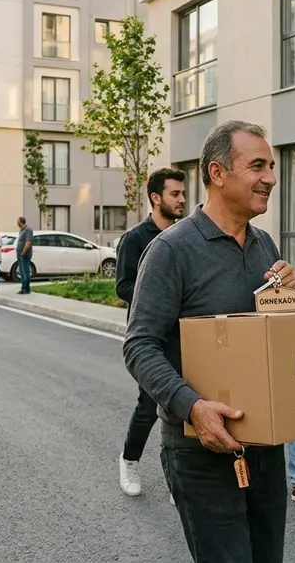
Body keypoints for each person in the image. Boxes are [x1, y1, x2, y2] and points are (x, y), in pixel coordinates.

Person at [124, 121, 295, 563]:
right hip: (200, 451)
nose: (271, 177)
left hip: (265, 446)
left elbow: (276, 329)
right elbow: (139, 345)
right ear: (218, 172)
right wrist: (193, 407)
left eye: (272, 166)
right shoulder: (172, 250)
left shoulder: (264, 244)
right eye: (258, 165)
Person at [116, 167, 186, 498]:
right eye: (175, 194)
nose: (182, 200)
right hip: (150, 335)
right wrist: (162, 297)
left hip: (184, 335)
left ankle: (176, 476)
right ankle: (129, 459)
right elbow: (122, 286)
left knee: (184, 403)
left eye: (183, 194)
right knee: (149, 404)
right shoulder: (135, 239)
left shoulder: (184, 237)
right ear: (156, 198)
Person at [14, 217, 34, 295]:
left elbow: (28, 242)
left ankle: (26, 288)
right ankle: (23, 287)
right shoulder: (21, 230)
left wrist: (23, 252)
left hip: (25, 254)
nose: (17, 224)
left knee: (25, 271)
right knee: (21, 271)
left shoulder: (28, 230)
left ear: (22, 222)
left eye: (18, 222)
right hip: (19, 254)